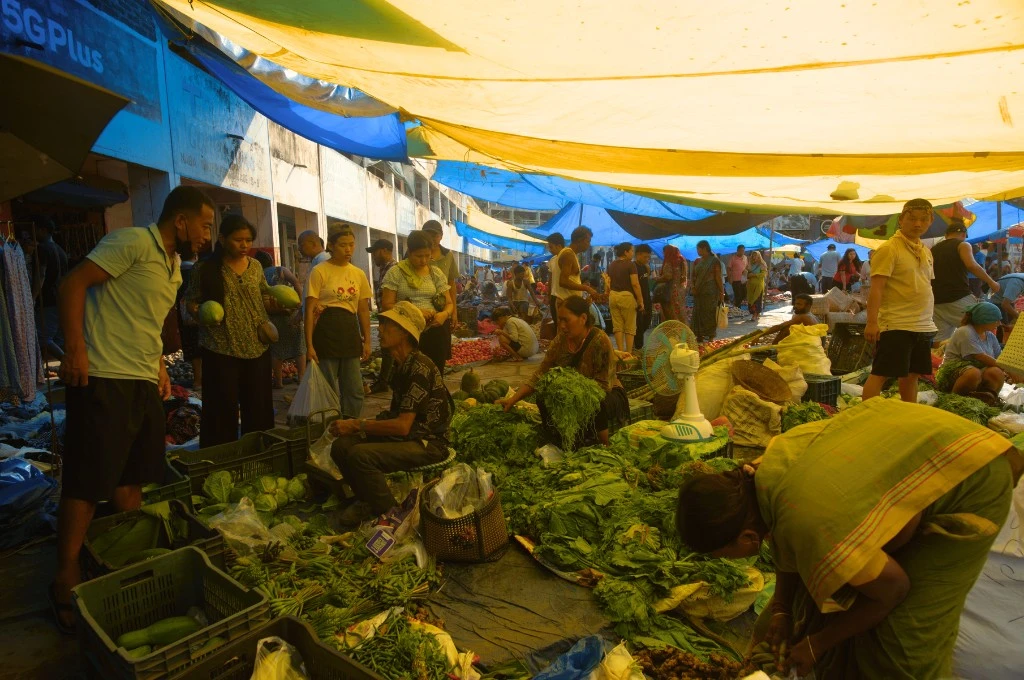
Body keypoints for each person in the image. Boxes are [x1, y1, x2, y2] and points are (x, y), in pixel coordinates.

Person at [676, 399, 1021, 680]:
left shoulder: (809, 519)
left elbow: (894, 590)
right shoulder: (757, 476)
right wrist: (780, 608)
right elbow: (788, 545)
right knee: (811, 610)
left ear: (748, 537)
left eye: (725, 553)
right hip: (912, 439)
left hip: (967, 473)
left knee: (900, 646)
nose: (729, 561)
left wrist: (817, 645)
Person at [52, 186, 214, 632]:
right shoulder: (130, 243)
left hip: (143, 382)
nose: (205, 236)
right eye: (202, 226)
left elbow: (143, 320)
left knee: (132, 479)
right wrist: (75, 350)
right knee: (87, 481)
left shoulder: (175, 267)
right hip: (102, 376)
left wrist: (159, 367)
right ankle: (64, 575)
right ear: (180, 221)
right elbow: (73, 284)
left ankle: (120, 562)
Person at [327, 301, 453, 521]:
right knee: (341, 446)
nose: (381, 329)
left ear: (404, 333)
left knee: (360, 455)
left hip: (428, 443)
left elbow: (403, 426)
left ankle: (393, 515)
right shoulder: (400, 366)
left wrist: (358, 424)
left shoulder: (419, 368)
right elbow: (396, 417)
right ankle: (367, 500)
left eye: (387, 325)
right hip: (409, 435)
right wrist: (359, 428)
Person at [187, 215, 276, 447]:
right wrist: (200, 313)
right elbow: (190, 302)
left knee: (259, 408)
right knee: (220, 409)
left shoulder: (256, 266)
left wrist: (278, 303)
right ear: (223, 239)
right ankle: (220, 458)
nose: (245, 245)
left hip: (256, 345)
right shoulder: (204, 268)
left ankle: (259, 453)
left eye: (248, 240)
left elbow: (262, 295)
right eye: (238, 240)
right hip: (220, 347)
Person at [499, 296, 628, 447]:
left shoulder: (600, 341)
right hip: (574, 393)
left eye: (566, 320)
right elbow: (540, 374)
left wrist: (572, 392)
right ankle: (557, 441)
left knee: (595, 406)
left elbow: (602, 386)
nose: (562, 325)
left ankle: (604, 444)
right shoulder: (560, 341)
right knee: (543, 398)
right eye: (560, 320)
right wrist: (513, 399)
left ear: (583, 318)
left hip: (607, 394)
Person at [862, 199, 937, 403]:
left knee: (912, 375)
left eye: (923, 220)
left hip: (922, 325)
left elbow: (925, 286)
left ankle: (907, 414)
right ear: (901, 219)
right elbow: (876, 289)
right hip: (896, 323)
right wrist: (871, 322)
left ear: (930, 221)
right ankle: (865, 418)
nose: (918, 224)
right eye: (912, 219)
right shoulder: (889, 249)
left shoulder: (926, 251)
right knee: (881, 373)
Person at [304, 228, 371, 418]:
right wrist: (309, 345)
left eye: (351, 244)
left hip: (350, 332)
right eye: (343, 245)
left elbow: (363, 310)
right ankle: (328, 430)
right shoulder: (319, 271)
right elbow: (309, 311)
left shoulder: (358, 274)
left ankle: (350, 426)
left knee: (355, 390)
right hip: (326, 333)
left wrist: (367, 340)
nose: (348, 249)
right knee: (327, 390)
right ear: (331, 246)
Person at [381, 230, 453, 375]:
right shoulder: (396, 272)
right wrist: (415, 312)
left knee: (435, 374)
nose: (424, 260)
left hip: (435, 331)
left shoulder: (435, 273)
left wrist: (444, 315)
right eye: (419, 256)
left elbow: (449, 303)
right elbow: (387, 304)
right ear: (409, 251)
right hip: (407, 334)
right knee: (408, 374)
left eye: (428, 255)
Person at [930, 218, 1000, 345]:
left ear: (946, 235)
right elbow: (972, 265)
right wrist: (991, 282)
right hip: (958, 296)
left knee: (941, 340)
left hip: (936, 300)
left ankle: (942, 363)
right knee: (982, 328)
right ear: (963, 235)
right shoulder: (963, 244)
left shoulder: (933, 249)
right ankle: (985, 361)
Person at [935, 301, 1016, 402]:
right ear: (984, 320)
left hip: (978, 373)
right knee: (973, 373)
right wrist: (1008, 369)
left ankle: (987, 399)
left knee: (996, 372)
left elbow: (999, 358)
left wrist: (1009, 369)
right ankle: (954, 400)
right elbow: (980, 356)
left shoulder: (990, 336)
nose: (999, 324)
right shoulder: (965, 331)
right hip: (954, 373)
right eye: (996, 321)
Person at [254, 250, 306, 390]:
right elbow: (295, 282)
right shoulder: (280, 270)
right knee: (298, 346)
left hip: (271, 316)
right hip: (290, 312)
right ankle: (301, 378)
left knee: (276, 349)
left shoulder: (257, 275)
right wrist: (300, 302)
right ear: (271, 260)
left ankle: (278, 382)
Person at [422, 220, 459, 368]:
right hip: (422, 310)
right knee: (421, 352)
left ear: (441, 236)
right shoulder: (416, 252)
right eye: (428, 234)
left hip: (443, 310)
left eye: (434, 235)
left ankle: (437, 385)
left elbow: (452, 285)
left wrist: (454, 312)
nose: (431, 238)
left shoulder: (448, 255)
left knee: (440, 353)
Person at [34, 218, 69, 360]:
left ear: (43, 230)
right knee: (59, 338)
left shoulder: (43, 248)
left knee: (43, 338)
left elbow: (41, 275)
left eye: (35, 229)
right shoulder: (60, 250)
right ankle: (68, 373)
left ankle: (68, 364)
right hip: (61, 298)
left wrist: (33, 297)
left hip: (48, 300)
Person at [367, 238, 397, 393]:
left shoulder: (393, 269)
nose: (373, 256)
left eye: (375, 252)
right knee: (387, 349)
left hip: (391, 316)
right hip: (385, 315)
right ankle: (386, 380)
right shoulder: (384, 269)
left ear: (385, 251)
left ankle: (385, 381)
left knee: (390, 348)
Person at [606, 242, 645, 353]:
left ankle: (620, 353)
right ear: (626, 252)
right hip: (626, 297)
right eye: (631, 251)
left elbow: (607, 283)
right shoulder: (630, 264)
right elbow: (635, 284)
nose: (633, 253)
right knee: (629, 327)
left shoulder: (612, 264)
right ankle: (628, 354)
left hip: (613, 296)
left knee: (617, 327)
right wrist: (640, 300)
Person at [557, 227, 598, 317]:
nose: (589, 244)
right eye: (588, 241)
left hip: (571, 304)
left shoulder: (572, 254)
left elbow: (571, 279)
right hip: (566, 305)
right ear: (580, 240)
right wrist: (586, 288)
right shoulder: (568, 254)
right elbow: (563, 281)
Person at [690, 240, 725, 342]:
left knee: (709, 314)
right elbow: (693, 276)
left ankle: (710, 336)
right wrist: (692, 287)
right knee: (698, 313)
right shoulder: (697, 261)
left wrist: (721, 292)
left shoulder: (714, 261)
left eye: (698, 249)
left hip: (710, 293)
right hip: (698, 293)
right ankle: (699, 335)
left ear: (704, 248)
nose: (697, 251)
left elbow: (718, 277)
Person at [657, 244, 688, 324]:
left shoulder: (669, 261)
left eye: (664, 252)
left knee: (671, 313)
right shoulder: (682, 260)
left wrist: (657, 279)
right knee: (681, 312)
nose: (663, 254)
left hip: (670, 291)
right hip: (680, 290)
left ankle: (673, 333)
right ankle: (684, 332)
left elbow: (668, 276)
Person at [546, 233, 567, 332]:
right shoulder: (553, 260)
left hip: (565, 296)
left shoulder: (568, 258)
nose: (550, 250)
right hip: (554, 295)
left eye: (551, 247)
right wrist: (549, 295)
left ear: (559, 246)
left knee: (565, 324)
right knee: (557, 322)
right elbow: (550, 279)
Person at [634, 244, 653, 350]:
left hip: (647, 298)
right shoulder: (633, 267)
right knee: (639, 324)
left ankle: (637, 345)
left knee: (647, 321)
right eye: (645, 257)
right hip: (638, 300)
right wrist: (639, 300)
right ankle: (638, 347)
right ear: (638, 255)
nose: (647, 259)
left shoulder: (645, 267)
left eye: (648, 257)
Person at [745, 251, 768, 323]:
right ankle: (755, 314)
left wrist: (754, 275)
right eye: (753, 256)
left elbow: (763, 274)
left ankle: (755, 315)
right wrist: (749, 275)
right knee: (750, 300)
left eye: (756, 256)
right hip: (750, 286)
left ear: (759, 256)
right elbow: (746, 274)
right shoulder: (750, 264)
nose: (754, 257)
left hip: (758, 286)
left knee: (757, 300)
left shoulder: (762, 264)